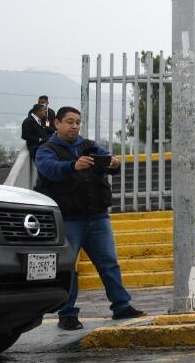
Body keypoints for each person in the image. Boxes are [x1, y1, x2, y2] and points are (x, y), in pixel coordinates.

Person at [35, 106, 144, 330]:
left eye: (78, 122)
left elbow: (107, 160)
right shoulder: (46, 149)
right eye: (69, 122)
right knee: (68, 268)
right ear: (57, 123)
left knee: (109, 264)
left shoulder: (90, 146)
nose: (74, 126)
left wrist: (114, 163)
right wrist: (72, 166)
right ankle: (67, 314)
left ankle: (122, 306)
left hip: (97, 217)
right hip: (67, 219)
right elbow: (49, 169)